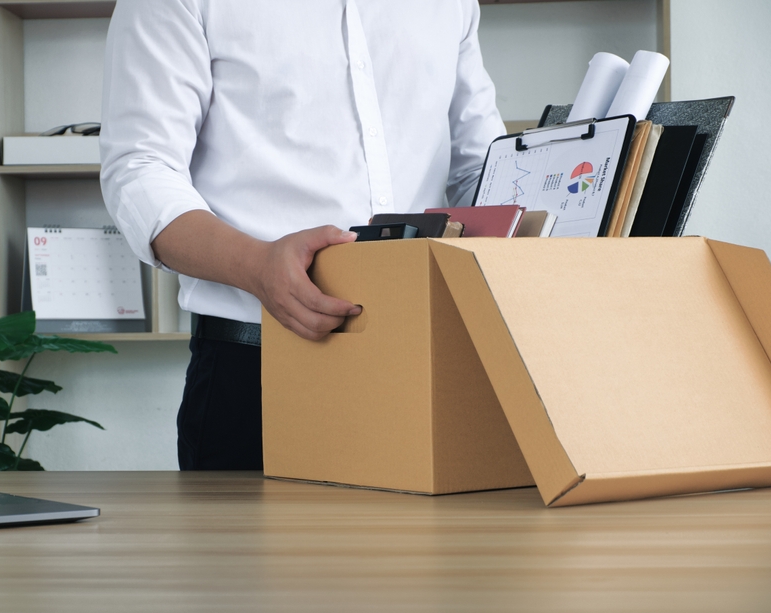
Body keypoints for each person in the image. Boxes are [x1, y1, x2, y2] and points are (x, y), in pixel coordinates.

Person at [99, 0, 505, 470]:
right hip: (255, 367)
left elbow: (481, 167)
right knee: (248, 546)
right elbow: (140, 168)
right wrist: (256, 266)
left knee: (444, 543)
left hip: (429, 360)